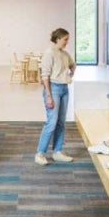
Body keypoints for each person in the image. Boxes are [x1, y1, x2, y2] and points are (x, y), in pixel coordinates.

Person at [35, 27, 76, 165]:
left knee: (61, 122)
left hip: (64, 89)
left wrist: (71, 73)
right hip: (53, 89)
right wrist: (49, 96)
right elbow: (44, 76)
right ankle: (40, 153)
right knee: (51, 122)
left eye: (67, 39)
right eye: (65, 39)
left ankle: (57, 151)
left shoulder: (64, 54)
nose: (67, 42)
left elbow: (72, 65)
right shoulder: (49, 53)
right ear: (58, 39)